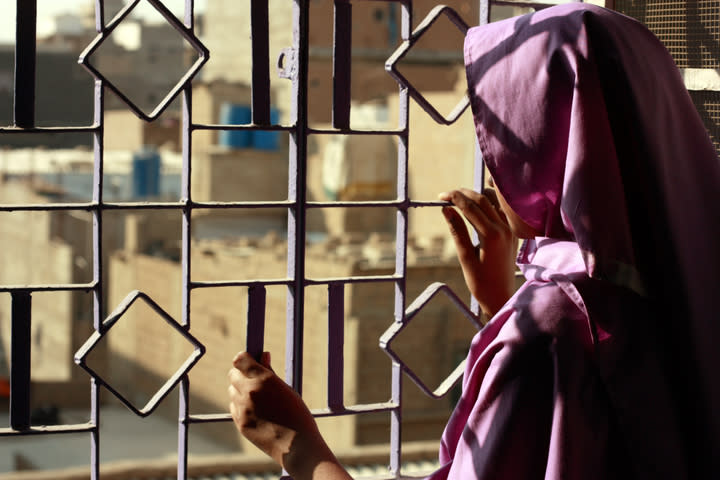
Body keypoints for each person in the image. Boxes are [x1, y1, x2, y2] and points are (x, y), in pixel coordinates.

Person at [227, 3, 720, 479]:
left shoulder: (554, 330)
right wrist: (504, 306)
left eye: (506, 142)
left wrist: (296, 446)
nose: (491, 171)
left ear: (553, 143)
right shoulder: (689, 263)